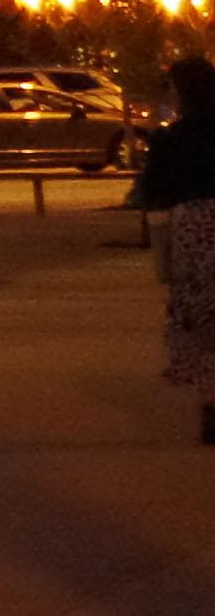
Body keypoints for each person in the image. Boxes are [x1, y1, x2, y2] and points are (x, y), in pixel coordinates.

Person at [142, 56, 215, 446]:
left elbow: (154, 191)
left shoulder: (175, 139)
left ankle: (210, 405)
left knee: (201, 319)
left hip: (193, 229)